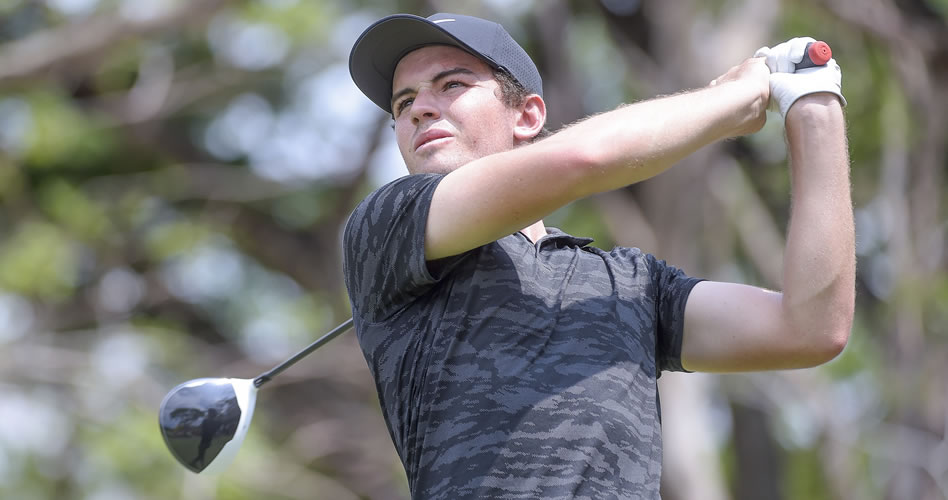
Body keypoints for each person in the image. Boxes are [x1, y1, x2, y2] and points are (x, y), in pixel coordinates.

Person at [343, 12, 854, 499]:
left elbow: (810, 327)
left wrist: (814, 106)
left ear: (527, 116)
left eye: (451, 85)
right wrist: (731, 100)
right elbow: (581, 159)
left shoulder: (632, 283)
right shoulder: (388, 225)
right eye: (403, 101)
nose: (419, 108)